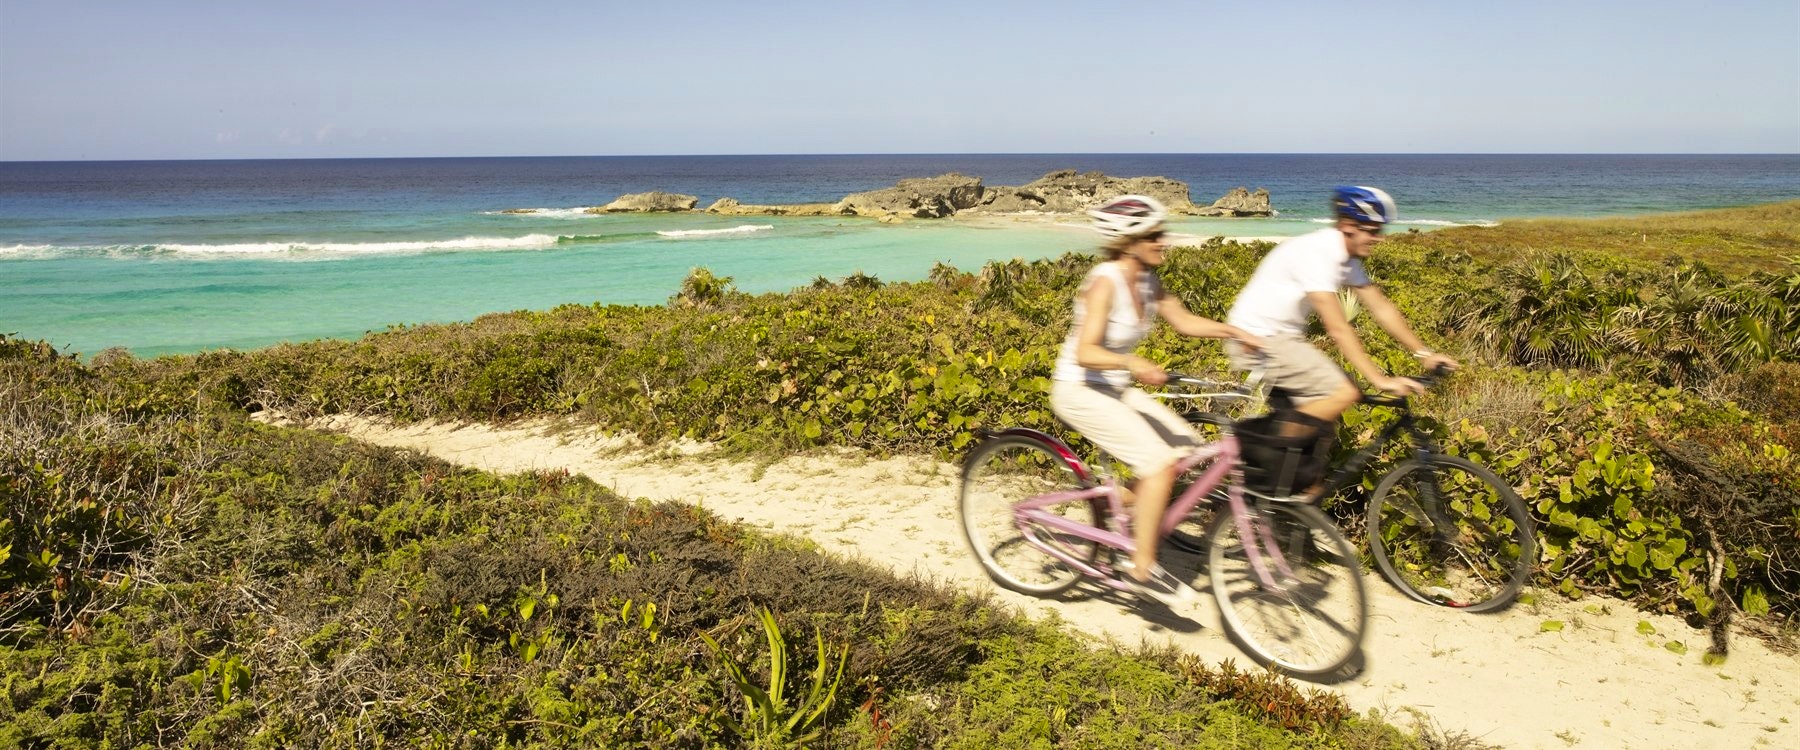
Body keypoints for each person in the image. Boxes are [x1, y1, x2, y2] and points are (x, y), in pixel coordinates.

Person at [1049, 195, 1263, 603]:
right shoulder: (1104, 282)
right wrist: (1131, 361)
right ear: (1129, 241)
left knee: (1188, 453)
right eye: (1155, 235)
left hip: (1114, 389)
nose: (1164, 241)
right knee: (1160, 463)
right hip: (1078, 390)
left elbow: (1183, 321)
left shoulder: (1148, 280)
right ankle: (1141, 566)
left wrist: (1237, 333)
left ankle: (1120, 506)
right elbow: (1086, 352)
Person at [1224, 186, 1458, 451]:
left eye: (1380, 230)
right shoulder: (1320, 253)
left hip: (1282, 338)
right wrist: (1380, 380)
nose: (1379, 238)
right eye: (1372, 231)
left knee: (1320, 433)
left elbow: (1381, 307)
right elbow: (1337, 328)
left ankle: (1287, 483)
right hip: (1257, 338)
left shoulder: (1347, 259)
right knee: (1345, 392)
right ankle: (1255, 450)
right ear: (1348, 226)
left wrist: (1423, 353)